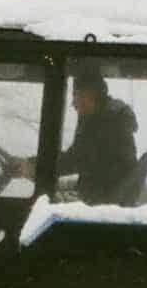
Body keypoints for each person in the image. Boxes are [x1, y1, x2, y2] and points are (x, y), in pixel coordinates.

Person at [60, 69, 140, 203]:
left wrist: (36, 167)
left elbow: (75, 160)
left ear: (88, 94)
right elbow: (88, 166)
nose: (73, 103)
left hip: (98, 202)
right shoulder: (111, 119)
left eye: (75, 95)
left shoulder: (105, 124)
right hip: (102, 197)